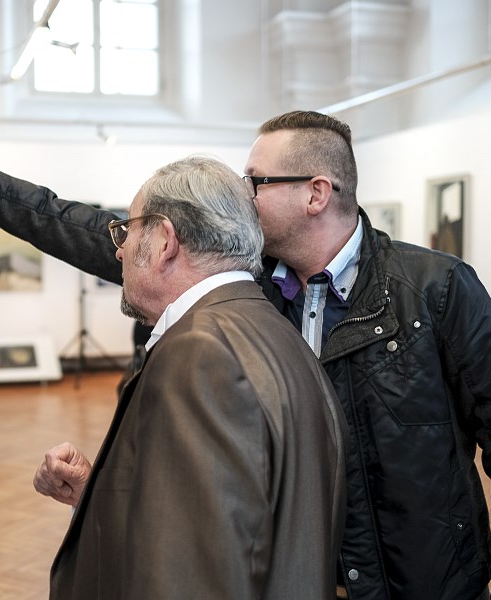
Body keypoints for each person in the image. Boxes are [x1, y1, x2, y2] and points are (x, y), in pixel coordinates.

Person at [0, 112, 491, 599]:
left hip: (419, 584)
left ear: (316, 192)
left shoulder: (434, 289)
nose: (241, 190)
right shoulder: (243, 285)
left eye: (255, 180)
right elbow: (103, 234)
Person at [38, 155, 344, 598]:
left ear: (165, 240)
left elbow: (190, 576)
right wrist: (101, 490)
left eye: (127, 231)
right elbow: (234, 520)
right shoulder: (275, 332)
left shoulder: (200, 352)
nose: (119, 250)